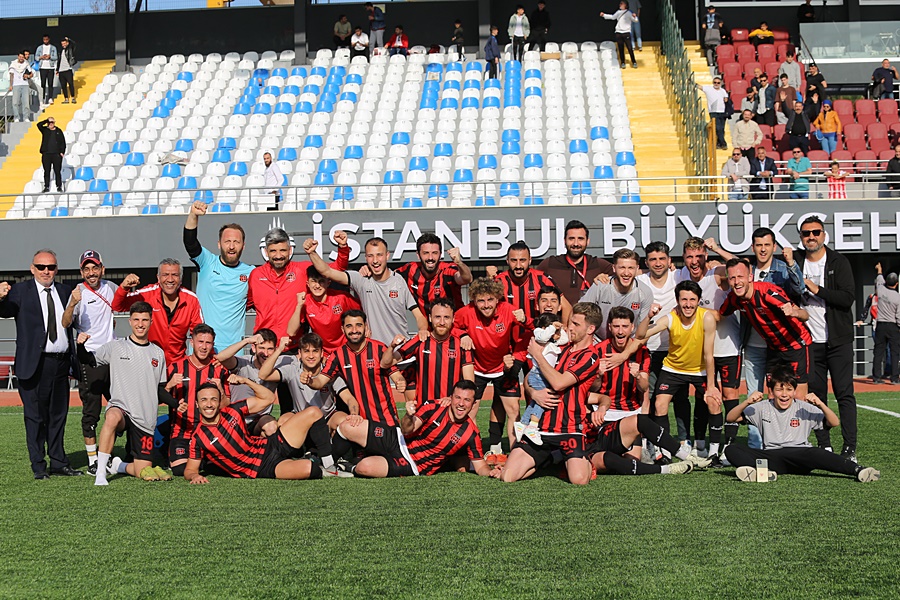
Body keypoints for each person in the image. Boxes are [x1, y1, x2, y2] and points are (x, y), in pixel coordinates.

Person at [501, 303, 603, 485]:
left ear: (591, 329)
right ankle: (549, 459)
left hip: (569, 428)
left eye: (576, 324)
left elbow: (559, 383)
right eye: (570, 322)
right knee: (507, 477)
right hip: (540, 429)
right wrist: (534, 392)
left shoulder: (590, 356)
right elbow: (530, 380)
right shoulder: (558, 347)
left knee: (579, 480)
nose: (570, 327)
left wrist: (538, 356)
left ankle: (581, 458)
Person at [76, 302, 178, 485]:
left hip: (145, 419)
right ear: (130, 321)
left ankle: (117, 466)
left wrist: (177, 404)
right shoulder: (115, 347)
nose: (140, 324)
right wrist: (80, 346)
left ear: (151, 322)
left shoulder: (158, 353)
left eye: (145, 320)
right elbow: (88, 360)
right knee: (112, 417)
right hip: (121, 409)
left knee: (143, 471)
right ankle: (100, 473)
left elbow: (159, 390)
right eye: (137, 319)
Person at [0, 249, 81, 479]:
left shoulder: (65, 291)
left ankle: (59, 462)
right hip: (33, 364)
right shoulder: (20, 291)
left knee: (58, 415)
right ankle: (38, 466)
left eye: (51, 267)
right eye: (42, 267)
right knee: (35, 417)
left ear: (57, 269)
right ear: (32, 268)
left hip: (61, 363)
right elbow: (4, 311)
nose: (47, 271)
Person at [725, 367, 880, 483]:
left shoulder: (804, 407)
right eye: (779, 389)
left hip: (801, 455)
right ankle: (764, 473)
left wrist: (820, 404)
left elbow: (834, 422)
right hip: (773, 456)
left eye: (789, 389)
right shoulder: (761, 407)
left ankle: (858, 470)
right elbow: (731, 418)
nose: (784, 394)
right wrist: (747, 402)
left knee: (816, 453)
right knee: (731, 449)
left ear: (794, 392)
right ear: (771, 391)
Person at [793, 216, 858, 459]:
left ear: (823, 235)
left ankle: (849, 448)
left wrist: (817, 289)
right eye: (806, 233)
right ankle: (824, 445)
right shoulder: (795, 261)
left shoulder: (838, 262)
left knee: (844, 394)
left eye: (816, 232)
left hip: (838, 341)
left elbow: (847, 298)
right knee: (815, 396)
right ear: (801, 237)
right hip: (809, 343)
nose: (811, 237)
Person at [639, 281, 725, 466]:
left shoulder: (707, 317)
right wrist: (647, 317)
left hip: (700, 369)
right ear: (677, 300)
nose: (688, 304)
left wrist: (711, 387)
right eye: (684, 299)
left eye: (692, 299)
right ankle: (666, 453)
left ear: (699, 300)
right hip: (673, 369)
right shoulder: (670, 318)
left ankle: (713, 454)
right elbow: (642, 335)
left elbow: (709, 355)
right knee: (660, 405)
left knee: (714, 402)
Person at [335, 380, 496, 478]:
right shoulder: (434, 406)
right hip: (397, 438)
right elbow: (406, 430)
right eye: (458, 397)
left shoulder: (471, 433)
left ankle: (350, 466)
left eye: (467, 400)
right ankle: (327, 463)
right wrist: (409, 415)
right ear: (451, 397)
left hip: (412, 464)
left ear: (473, 403)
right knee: (348, 426)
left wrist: (491, 472)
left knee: (365, 467)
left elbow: (480, 465)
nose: (461, 404)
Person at [184, 375, 325, 482]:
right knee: (310, 469)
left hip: (271, 443)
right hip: (263, 467)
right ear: (197, 404)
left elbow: (268, 398)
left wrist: (246, 381)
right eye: (204, 400)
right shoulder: (198, 437)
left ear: (219, 401)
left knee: (314, 412)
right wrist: (194, 476)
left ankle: (330, 462)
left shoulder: (233, 410)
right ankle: (305, 460)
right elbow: (190, 469)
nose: (209, 404)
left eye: (213, 399)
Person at [304, 235, 428, 346]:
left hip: (401, 352)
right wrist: (312, 253)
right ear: (366, 257)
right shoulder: (361, 280)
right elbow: (327, 271)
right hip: (374, 353)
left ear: (387, 255)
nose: (375, 260)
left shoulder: (398, 281)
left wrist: (422, 330)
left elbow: (418, 315)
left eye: (379, 255)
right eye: (370, 256)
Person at [452, 277, 527, 458]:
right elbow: (451, 326)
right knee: (470, 409)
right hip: (477, 368)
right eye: (481, 301)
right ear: (474, 301)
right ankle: (472, 452)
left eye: (490, 299)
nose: (486, 305)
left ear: (498, 298)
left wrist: (525, 321)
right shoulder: (465, 312)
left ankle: (514, 453)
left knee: (513, 409)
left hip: (503, 367)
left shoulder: (508, 310)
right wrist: (462, 334)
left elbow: (527, 335)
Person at [257, 333, 348, 477]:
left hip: (327, 417)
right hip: (302, 417)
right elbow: (263, 375)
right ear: (299, 353)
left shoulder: (329, 370)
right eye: (306, 351)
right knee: (282, 422)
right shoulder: (292, 368)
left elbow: (348, 398)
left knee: (345, 421)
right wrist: (279, 349)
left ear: (322, 353)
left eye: (315, 351)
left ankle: (335, 459)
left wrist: (354, 413)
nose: (311, 356)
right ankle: (296, 456)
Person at [721, 258, 812, 398]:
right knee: (772, 395)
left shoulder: (767, 292)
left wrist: (794, 312)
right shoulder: (734, 298)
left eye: (740, 277)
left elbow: (805, 315)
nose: (736, 282)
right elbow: (719, 315)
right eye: (732, 278)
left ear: (750, 277)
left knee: (798, 396)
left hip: (795, 345)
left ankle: (799, 420)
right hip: (774, 349)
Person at [61, 250, 117, 476]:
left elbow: (123, 307)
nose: (91, 272)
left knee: (121, 408)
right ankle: (93, 460)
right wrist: (73, 303)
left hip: (112, 358)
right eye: (87, 268)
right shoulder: (78, 292)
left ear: (102, 268)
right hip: (89, 359)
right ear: (81, 271)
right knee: (91, 411)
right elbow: (65, 322)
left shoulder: (111, 288)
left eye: (95, 268)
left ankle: (112, 453)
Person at [249, 227, 349, 352]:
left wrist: (343, 247)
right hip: (263, 347)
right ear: (266, 252)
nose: (278, 256)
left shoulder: (302, 270)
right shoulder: (256, 275)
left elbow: (336, 269)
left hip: (292, 347)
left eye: (283, 250)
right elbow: (247, 303)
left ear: (290, 250)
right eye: (273, 251)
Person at [305, 309, 406, 429]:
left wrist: (401, 382)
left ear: (365, 327)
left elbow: (397, 376)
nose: (354, 330)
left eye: (358, 325)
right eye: (349, 326)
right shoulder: (337, 355)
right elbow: (320, 381)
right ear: (343, 329)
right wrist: (309, 381)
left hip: (386, 419)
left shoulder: (379, 349)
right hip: (359, 422)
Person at [183, 201, 252, 351]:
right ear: (219, 244)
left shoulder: (251, 272)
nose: (232, 246)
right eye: (227, 241)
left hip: (234, 351)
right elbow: (190, 242)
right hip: (203, 347)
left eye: (236, 242)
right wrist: (194, 215)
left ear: (243, 246)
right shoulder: (207, 262)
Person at [383, 297, 475, 409]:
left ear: (453, 319)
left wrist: (452, 398)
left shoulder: (462, 344)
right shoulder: (421, 340)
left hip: (450, 409)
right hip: (424, 410)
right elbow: (385, 363)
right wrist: (392, 348)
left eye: (446, 317)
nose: (442, 322)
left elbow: (469, 383)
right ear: (430, 318)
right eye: (437, 317)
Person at [164, 323, 231, 476]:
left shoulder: (219, 369)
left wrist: (220, 389)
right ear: (192, 342)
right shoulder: (176, 367)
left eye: (208, 343)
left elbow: (227, 405)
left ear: (213, 345)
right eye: (200, 342)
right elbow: (159, 398)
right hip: (182, 431)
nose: (204, 347)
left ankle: (202, 458)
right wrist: (169, 385)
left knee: (221, 469)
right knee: (181, 470)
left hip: (210, 431)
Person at [113, 259, 203, 365]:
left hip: (177, 365)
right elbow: (118, 307)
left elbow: (200, 334)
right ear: (158, 278)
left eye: (174, 275)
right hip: (148, 362)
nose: (170, 279)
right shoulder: (147, 294)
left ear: (181, 279)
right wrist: (124, 287)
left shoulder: (191, 299)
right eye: (165, 275)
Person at [214, 328, 283, 437]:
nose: (265, 353)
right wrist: (246, 341)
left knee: (271, 427)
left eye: (270, 349)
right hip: (237, 417)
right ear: (253, 348)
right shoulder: (243, 362)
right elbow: (221, 357)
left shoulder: (277, 368)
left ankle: (268, 453)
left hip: (260, 418)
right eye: (262, 348)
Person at [514, 312, 567, 445]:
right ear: (545, 327)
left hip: (543, 376)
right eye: (552, 328)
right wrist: (552, 328)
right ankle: (533, 426)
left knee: (537, 402)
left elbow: (565, 340)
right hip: (537, 375)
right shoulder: (538, 334)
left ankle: (523, 423)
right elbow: (543, 337)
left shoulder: (553, 341)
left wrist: (559, 329)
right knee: (543, 400)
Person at [489, 240, 569, 328]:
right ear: (507, 261)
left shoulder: (541, 278)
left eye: (522, 260)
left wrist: (564, 329)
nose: (518, 266)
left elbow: (565, 306)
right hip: (507, 339)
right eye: (514, 260)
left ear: (530, 260)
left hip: (536, 337)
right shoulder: (498, 281)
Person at [580, 247, 654, 339]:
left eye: (630, 268)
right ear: (614, 268)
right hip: (598, 341)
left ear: (637, 268)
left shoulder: (645, 292)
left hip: (629, 343)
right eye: (622, 267)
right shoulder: (600, 286)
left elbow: (643, 329)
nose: (626, 273)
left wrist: (628, 351)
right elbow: (580, 313)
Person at [536, 220, 614, 305]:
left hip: (589, 318)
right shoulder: (550, 264)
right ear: (564, 241)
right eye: (571, 239)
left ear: (587, 241)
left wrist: (607, 277)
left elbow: (624, 278)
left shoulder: (599, 265)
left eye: (580, 239)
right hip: (557, 318)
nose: (576, 243)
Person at [287, 266, 361, 356]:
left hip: (346, 348)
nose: (317, 286)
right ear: (308, 283)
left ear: (328, 283)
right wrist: (299, 306)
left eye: (321, 281)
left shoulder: (341, 298)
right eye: (314, 281)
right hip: (323, 353)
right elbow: (291, 332)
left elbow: (363, 311)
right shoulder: (305, 302)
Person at [395, 233, 473, 312]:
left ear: (440, 254)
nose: (430, 258)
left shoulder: (447, 270)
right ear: (418, 255)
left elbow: (467, 279)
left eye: (434, 253)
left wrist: (459, 262)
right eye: (426, 253)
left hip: (456, 323)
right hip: (427, 323)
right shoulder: (410, 269)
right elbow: (389, 276)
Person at [872, 263, 900, 385]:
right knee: (894, 353)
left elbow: (879, 278)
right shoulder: (897, 297)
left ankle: (876, 377)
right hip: (893, 325)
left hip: (881, 324)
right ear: (897, 283)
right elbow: (898, 316)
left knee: (878, 352)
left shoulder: (881, 289)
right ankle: (894, 378)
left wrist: (879, 270)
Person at [600, 1, 637, 69]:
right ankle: (623, 62)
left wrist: (635, 17)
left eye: (621, 4)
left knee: (629, 48)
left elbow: (635, 20)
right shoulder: (618, 12)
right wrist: (604, 15)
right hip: (618, 33)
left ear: (625, 5)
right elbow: (612, 17)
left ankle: (634, 61)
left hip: (626, 32)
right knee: (620, 48)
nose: (620, 5)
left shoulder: (629, 13)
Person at [698, 77, 728, 150]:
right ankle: (723, 143)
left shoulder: (723, 91)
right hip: (713, 111)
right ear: (713, 82)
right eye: (715, 82)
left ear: (720, 83)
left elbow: (726, 99)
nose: (716, 84)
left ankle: (718, 143)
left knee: (721, 128)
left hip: (722, 111)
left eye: (718, 83)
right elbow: (700, 87)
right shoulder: (709, 89)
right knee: (718, 127)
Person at [37, 117, 65, 193]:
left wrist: (62, 152)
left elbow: (63, 142)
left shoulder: (58, 131)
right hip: (46, 154)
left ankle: (59, 186)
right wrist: (46, 120)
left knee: (57, 171)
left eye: (52, 122)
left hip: (56, 155)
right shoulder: (45, 130)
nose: (50, 124)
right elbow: (38, 125)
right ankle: (46, 186)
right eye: (49, 122)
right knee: (47, 171)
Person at [8, 51, 34, 123]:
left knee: (26, 102)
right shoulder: (13, 63)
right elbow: (11, 75)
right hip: (16, 84)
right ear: (18, 56)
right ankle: (16, 117)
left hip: (25, 84)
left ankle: (26, 117)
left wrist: (28, 76)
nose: (21, 58)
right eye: (20, 57)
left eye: (23, 57)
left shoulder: (26, 63)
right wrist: (11, 85)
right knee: (15, 102)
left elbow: (31, 73)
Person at [35, 34, 57, 105]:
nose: (45, 41)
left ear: (49, 39)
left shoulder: (53, 47)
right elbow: (36, 57)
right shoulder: (39, 48)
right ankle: (43, 98)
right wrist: (41, 57)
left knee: (50, 83)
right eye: (44, 40)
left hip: (50, 67)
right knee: (43, 84)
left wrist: (50, 57)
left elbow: (56, 57)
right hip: (42, 67)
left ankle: (50, 98)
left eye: (46, 39)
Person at [57, 37, 76, 104]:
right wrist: (57, 69)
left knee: (70, 84)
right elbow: (59, 61)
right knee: (63, 85)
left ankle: (73, 97)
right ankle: (66, 99)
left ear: (67, 43)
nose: (63, 45)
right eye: (62, 44)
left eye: (64, 43)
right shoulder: (60, 51)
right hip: (61, 70)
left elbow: (74, 44)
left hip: (68, 69)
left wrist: (69, 40)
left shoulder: (70, 49)